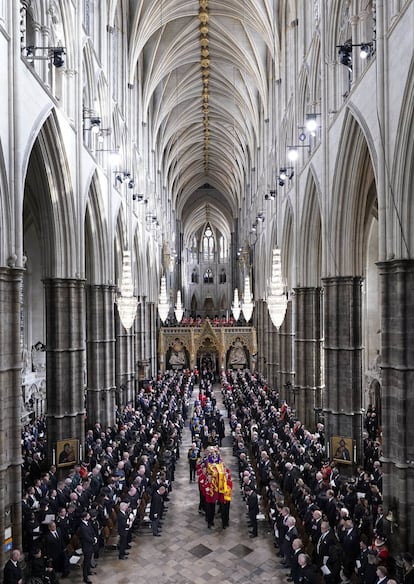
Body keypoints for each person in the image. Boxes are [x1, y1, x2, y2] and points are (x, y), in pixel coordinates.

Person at [77, 510, 96, 584]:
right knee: (86, 561)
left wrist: (94, 537)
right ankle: (85, 577)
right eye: (88, 516)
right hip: (86, 546)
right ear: (84, 518)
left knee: (89, 560)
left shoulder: (88, 523)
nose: (89, 516)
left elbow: (92, 531)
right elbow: (86, 537)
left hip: (90, 545)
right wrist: (93, 540)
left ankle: (88, 571)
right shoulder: (82, 527)